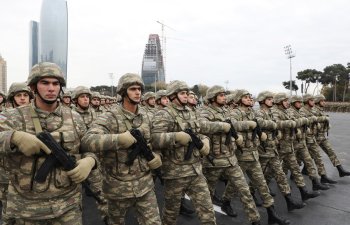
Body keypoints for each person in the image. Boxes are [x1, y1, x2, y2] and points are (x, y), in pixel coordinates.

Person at [0, 62, 97, 224]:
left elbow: (89, 147)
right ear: (33, 87)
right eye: (45, 83)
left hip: (67, 207)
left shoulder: (75, 118)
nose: (51, 88)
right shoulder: (12, 117)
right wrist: (13, 137)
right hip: (26, 209)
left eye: (56, 83)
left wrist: (90, 161)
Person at [81, 73, 162, 225]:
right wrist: (118, 139)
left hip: (145, 185)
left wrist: (157, 156)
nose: (138, 92)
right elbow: (88, 140)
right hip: (117, 188)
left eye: (139, 89)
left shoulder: (147, 116)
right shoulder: (109, 117)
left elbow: (155, 140)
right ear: (124, 92)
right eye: (133, 89)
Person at [151, 80, 216, 225]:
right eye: (182, 93)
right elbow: (154, 139)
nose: (186, 96)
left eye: (187, 93)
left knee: (207, 212)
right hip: (175, 173)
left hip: (195, 171)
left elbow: (199, 133)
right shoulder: (164, 114)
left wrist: (205, 141)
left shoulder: (190, 112)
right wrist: (176, 137)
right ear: (173, 96)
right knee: (171, 214)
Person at [200, 85, 261, 225]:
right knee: (206, 196)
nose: (224, 97)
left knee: (244, 190)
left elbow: (234, 125)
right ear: (213, 97)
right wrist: (222, 126)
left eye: (224, 95)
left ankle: (255, 220)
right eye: (221, 95)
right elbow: (201, 126)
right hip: (213, 161)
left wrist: (236, 135)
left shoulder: (226, 111)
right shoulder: (205, 111)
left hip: (231, 158)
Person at [230, 89, 290, 225]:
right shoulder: (235, 112)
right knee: (240, 188)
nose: (248, 99)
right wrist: (250, 124)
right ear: (239, 99)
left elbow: (260, 123)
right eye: (245, 97)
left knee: (263, 186)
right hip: (242, 154)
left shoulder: (252, 112)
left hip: (254, 153)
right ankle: (229, 203)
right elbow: (232, 125)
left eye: (249, 97)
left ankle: (272, 214)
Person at [255, 91, 305, 211]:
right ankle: (251, 192)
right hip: (264, 150)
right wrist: (277, 125)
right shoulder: (259, 112)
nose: (272, 101)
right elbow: (260, 123)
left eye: (272, 99)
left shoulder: (271, 113)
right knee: (258, 176)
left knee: (281, 175)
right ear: (262, 101)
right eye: (269, 99)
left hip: (273, 149)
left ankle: (289, 201)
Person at [272, 93, 320, 201]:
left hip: (289, 145)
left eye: (287, 101)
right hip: (280, 146)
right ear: (279, 101)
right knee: (270, 172)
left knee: (296, 169)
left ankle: (304, 192)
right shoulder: (275, 112)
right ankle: (254, 189)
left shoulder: (286, 111)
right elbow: (276, 123)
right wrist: (291, 122)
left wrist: (297, 121)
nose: (287, 102)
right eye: (284, 101)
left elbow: (295, 121)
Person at [288, 95, 330, 190]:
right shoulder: (291, 112)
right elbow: (293, 122)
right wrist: (306, 120)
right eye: (298, 102)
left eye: (300, 102)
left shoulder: (300, 111)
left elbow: (308, 120)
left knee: (309, 161)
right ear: (294, 103)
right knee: (288, 165)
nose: (300, 103)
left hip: (303, 140)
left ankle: (316, 183)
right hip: (293, 142)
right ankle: (282, 183)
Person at [300, 94, 337, 183]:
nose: (314, 102)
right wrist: (319, 118)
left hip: (312, 137)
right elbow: (306, 121)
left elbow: (316, 120)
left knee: (316, 157)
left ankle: (322, 177)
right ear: (307, 101)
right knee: (295, 160)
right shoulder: (302, 111)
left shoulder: (312, 110)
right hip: (303, 139)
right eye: (311, 100)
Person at [313, 94, 350, 179]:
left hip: (322, 136)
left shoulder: (320, 110)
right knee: (309, 156)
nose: (324, 102)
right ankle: (298, 172)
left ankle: (340, 170)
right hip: (315, 137)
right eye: (322, 101)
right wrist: (324, 118)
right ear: (318, 102)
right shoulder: (314, 110)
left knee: (331, 152)